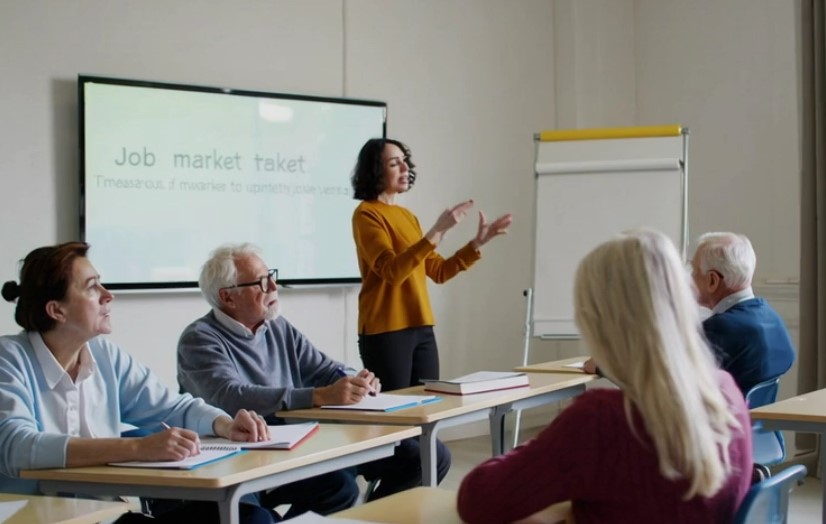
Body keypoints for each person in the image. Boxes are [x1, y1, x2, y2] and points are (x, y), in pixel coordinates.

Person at [457, 229, 752, 524]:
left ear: (599, 318)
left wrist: (541, 446)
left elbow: (478, 499)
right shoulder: (724, 390)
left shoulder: (600, 419)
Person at [0, 242, 276, 524]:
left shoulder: (105, 355)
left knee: (252, 517)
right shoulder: (8, 359)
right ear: (57, 310)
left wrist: (224, 424)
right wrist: (138, 448)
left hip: (106, 517)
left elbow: (170, 407)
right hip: (38, 519)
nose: (109, 296)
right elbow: (17, 447)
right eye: (92, 287)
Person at [176, 243, 450, 519]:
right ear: (228, 297)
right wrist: (318, 396)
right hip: (243, 455)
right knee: (338, 487)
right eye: (261, 281)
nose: (274, 285)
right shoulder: (199, 339)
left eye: (271, 275)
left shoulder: (276, 326)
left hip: (298, 443)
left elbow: (324, 369)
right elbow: (232, 396)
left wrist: (354, 381)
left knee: (427, 457)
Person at [350, 137, 513, 390]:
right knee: (399, 415)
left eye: (405, 162)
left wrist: (477, 244)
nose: (405, 169)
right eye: (395, 164)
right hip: (386, 330)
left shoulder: (407, 216)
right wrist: (436, 232)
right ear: (375, 170)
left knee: (430, 407)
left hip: (421, 325)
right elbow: (392, 271)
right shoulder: (367, 213)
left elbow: (438, 271)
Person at [690, 232, 796, 396]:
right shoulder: (770, 316)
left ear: (712, 280)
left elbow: (680, 385)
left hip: (720, 420)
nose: (691, 278)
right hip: (757, 420)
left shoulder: (718, 329)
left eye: (695, 271)